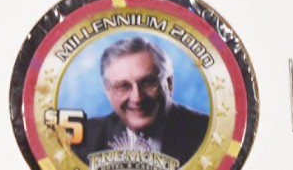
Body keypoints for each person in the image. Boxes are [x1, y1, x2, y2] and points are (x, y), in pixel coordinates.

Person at [73, 36, 208, 164]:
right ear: (108, 91)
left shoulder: (207, 134)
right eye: (123, 86)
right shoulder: (84, 139)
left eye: (148, 82)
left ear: (169, 83)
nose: (137, 98)